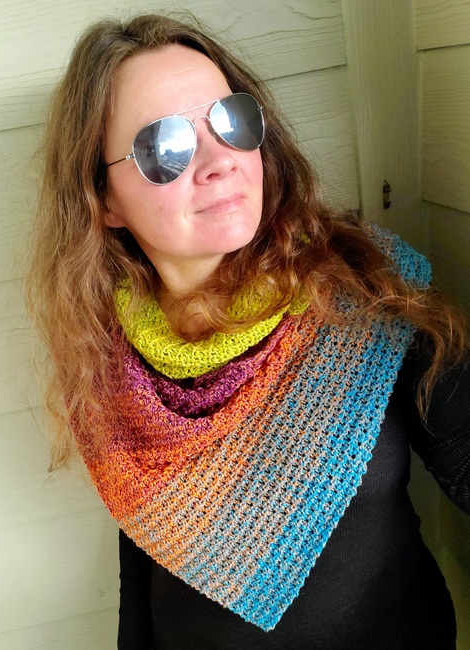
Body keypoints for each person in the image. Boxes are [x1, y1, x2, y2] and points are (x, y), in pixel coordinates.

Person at [26, 13, 470, 650]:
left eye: (230, 121)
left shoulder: (363, 283)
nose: (219, 162)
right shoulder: (103, 356)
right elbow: (143, 551)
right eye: (164, 147)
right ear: (104, 201)